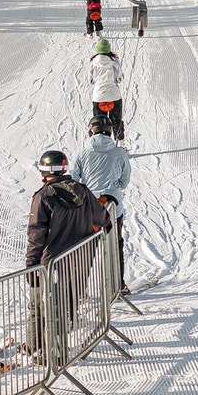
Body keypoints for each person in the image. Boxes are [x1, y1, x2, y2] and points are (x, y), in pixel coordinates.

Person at [25, 151, 111, 361]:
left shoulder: (43, 196)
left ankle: (53, 351)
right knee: (62, 302)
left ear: (44, 172)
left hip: (52, 262)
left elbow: (36, 234)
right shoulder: (82, 191)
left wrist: (31, 264)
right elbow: (104, 218)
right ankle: (35, 344)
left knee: (49, 305)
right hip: (78, 259)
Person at [74, 119, 133, 293]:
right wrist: (114, 186)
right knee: (115, 245)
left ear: (91, 132)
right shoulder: (119, 152)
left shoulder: (82, 152)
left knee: (86, 249)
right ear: (110, 132)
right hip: (113, 206)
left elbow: (73, 178)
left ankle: (79, 288)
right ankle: (117, 286)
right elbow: (125, 179)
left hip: (90, 208)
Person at [89, 38, 125, 140]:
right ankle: (121, 144)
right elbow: (119, 78)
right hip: (114, 96)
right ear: (109, 49)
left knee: (99, 123)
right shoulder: (114, 63)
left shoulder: (93, 63)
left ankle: (100, 144)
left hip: (99, 96)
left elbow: (91, 80)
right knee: (116, 121)